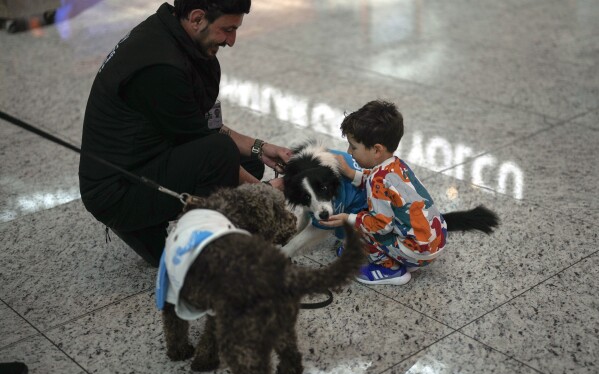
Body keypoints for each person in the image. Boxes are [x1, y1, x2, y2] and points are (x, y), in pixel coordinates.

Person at [78, 0, 292, 267]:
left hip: (145, 160)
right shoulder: (160, 67)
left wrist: (261, 148)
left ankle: (164, 223)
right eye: (227, 29)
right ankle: (196, 239)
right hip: (118, 191)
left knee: (246, 162)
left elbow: (200, 125)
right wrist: (263, 194)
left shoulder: (174, 36)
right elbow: (207, 144)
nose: (232, 40)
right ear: (197, 18)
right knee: (222, 156)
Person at [319, 100, 447, 285]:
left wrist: (349, 218)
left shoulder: (376, 179)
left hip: (419, 251)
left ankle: (389, 269)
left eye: (353, 147)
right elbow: (379, 184)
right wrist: (352, 173)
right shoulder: (396, 165)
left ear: (377, 150)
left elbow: (380, 226)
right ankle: (404, 256)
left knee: (362, 224)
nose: (349, 152)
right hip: (435, 241)